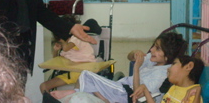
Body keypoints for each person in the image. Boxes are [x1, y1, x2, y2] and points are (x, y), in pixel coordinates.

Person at [49, 32, 187, 103]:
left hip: (125, 94)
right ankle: (100, 97)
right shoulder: (153, 61)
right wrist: (135, 53)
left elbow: (137, 95)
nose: (152, 50)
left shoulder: (161, 74)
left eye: (157, 48)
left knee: (86, 74)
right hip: (120, 86)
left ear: (167, 57)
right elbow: (130, 57)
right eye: (154, 46)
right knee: (90, 79)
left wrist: (136, 68)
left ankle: (75, 92)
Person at [40, 15, 101, 94]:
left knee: (44, 86)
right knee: (43, 86)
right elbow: (57, 60)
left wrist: (61, 41)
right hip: (72, 72)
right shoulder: (67, 42)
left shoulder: (76, 38)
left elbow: (66, 48)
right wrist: (55, 50)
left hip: (81, 72)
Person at [131, 55, 204, 103]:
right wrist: (145, 90)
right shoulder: (173, 88)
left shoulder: (192, 94)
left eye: (174, 63)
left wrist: (197, 91)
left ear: (188, 67)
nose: (168, 68)